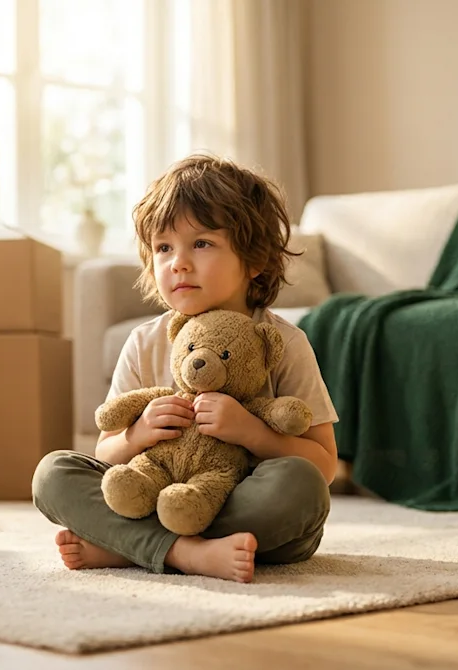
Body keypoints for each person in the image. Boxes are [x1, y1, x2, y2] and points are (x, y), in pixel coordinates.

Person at [31, 153, 339, 583]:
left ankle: (132, 545)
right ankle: (187, 553)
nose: (178, 262)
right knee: (54, 474)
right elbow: (107, 450)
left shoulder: (283, 342)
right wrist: (137, 434)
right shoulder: (144, 342)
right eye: (163, 248)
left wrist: (252, 433)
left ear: (255, 260)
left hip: (248, 510)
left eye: (201, 243)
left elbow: (323, 465)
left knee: (299, 486)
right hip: (156, 493)